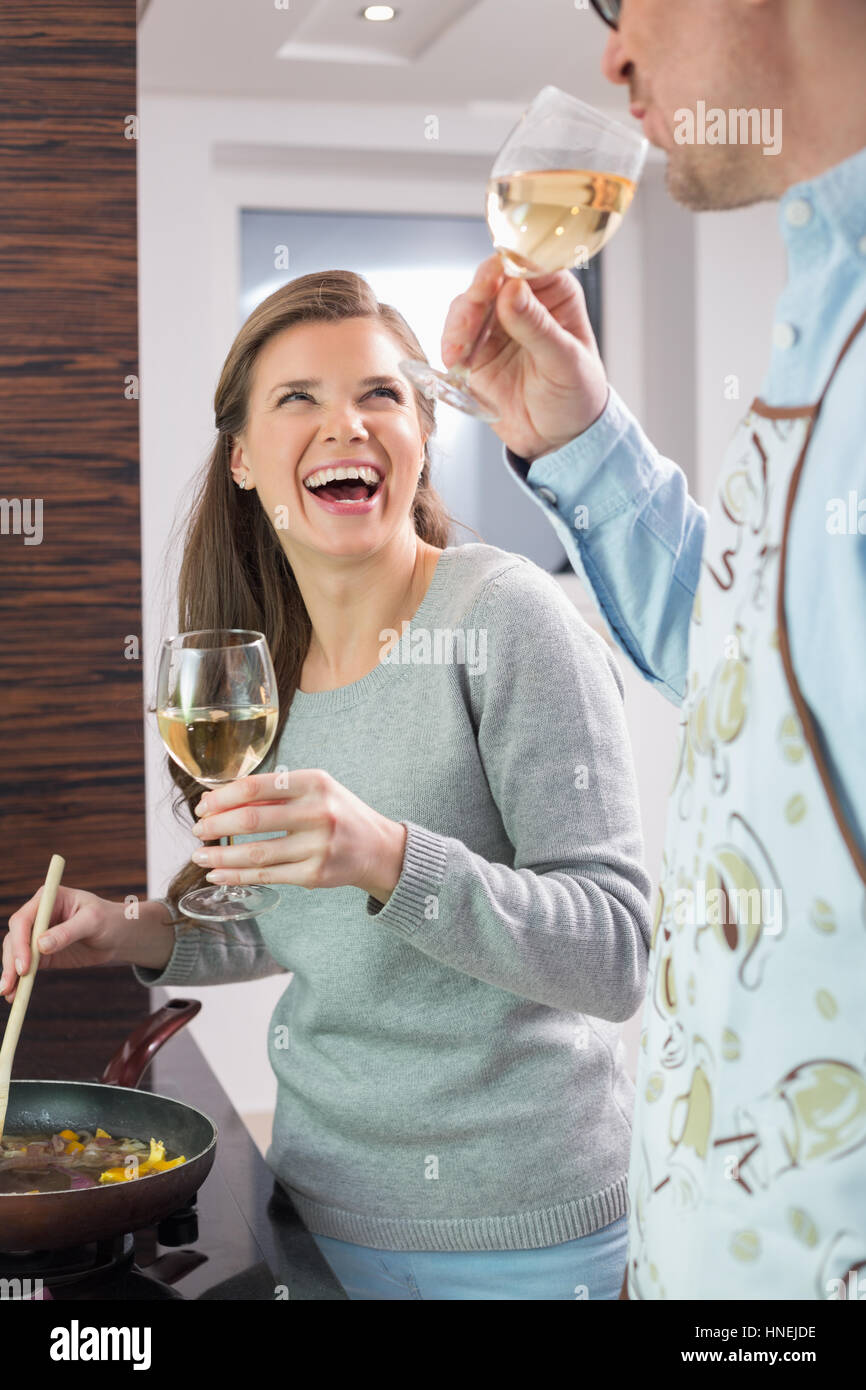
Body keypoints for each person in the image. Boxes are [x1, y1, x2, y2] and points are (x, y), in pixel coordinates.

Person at [2, 270, 653, 1300]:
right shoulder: (255, 675)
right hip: (311, 1211)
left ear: (424, 435)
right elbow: (280, 921)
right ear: (246, 459)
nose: (343, 423)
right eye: (297, 398)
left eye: (380, 394)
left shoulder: (505, 618)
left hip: (511, 1232)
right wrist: (127, 926)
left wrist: (387, 857)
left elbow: (614, 950)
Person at [440, 0, 866, 1300]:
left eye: (632, 4)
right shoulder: (826, 317)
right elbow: (757, 673)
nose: (613, 56)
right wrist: (578, 439)